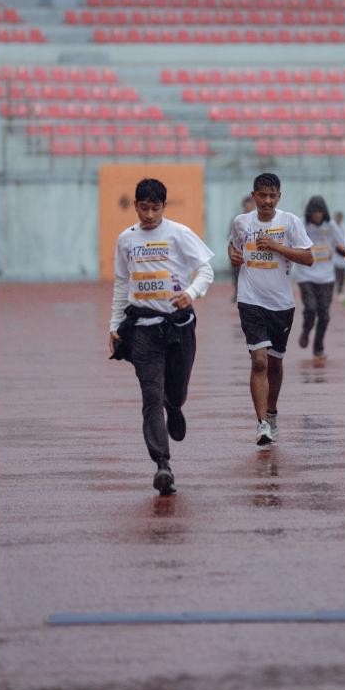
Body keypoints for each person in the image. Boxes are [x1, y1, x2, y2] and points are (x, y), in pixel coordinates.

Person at [108, 178, 215, 496]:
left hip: (178, 326)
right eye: (144, 208)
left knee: (175, 391)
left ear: (164, 206)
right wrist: (114, 325)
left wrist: (191, 293)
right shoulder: (126, 239)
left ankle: (176, 406)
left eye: (155, 208)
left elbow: (206, 270)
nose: (149, 215)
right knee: (151, 397)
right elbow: (121, 283)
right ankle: (162, 464)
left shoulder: (179, 233)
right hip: (142, 329)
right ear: (135, 205)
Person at [228, 173, 313, 447]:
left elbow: (308, 257)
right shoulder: (241, 222)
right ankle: (262, 423)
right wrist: (232, 255)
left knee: (275, 363)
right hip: (250, 300)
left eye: (272, 196)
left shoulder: (290, 222)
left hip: (281, 304)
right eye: (262, 195)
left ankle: (272, 412)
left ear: (279, 196)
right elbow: (233, 246)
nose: (267, 201)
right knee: (259, 361)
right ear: (253, 195)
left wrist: (277, 246)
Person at [293, 195, 345, 364]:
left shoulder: (330, 225)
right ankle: (306, 330)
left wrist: (343, 250)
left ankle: (318, 347)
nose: (317, 215)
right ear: (309, 212)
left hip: (326, 277)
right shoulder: (301, 224)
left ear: (324, 212)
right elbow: (291, 243)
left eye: (320, 212)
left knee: (324, 315)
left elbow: (341, 245)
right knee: (310, 309)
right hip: (306, 275)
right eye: (315, 212)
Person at [229, 194, 255, 303]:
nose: (249, 206)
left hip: (252, 255)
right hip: (239, 253)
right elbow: (231, 238)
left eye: (251, 204)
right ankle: (237, 293)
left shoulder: (257, 220)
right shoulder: (238, 220)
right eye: (247, 204)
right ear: (243, 206)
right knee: (237, 275)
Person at [331, 209, 345, 300]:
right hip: (335, 254)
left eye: (339, 218)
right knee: (334, 275)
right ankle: (333, 291)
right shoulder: (332, 227)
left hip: (343, 254)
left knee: (342, 274)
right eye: (337, 217)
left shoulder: (344, 227)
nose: (338, 219)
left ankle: (340, 291)